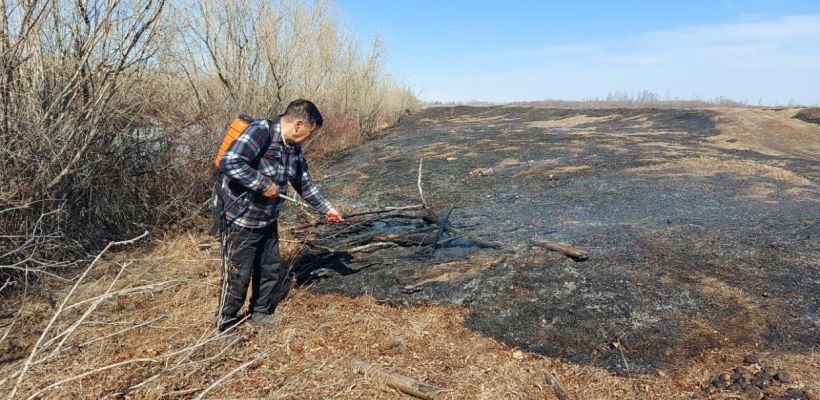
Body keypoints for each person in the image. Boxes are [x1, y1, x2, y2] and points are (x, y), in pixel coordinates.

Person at [216, 99, 343, 332]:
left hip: (268, 219)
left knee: (270, 268)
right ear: (298, 124)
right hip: (242, 220)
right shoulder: (260, 131)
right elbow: (229, 161)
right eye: (309, 132)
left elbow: (303, 182)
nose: (308, 138)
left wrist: (327, 208)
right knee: (238, 275)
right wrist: (263, 183)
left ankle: (261, 312)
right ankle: (226, 323)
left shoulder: (293, 147)